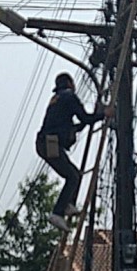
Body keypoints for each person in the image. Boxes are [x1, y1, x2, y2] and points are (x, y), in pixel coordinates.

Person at [36, 72, 106, 233]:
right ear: (69, 83)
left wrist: (97, 115)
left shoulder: (58, 100)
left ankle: (68, 204)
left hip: (46, 142)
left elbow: (76, 125)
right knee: (72, 176)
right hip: (50, 143)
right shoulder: (69, 97)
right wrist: (103, 115)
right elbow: (85, 118)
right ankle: (57, 212)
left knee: (75, 174)